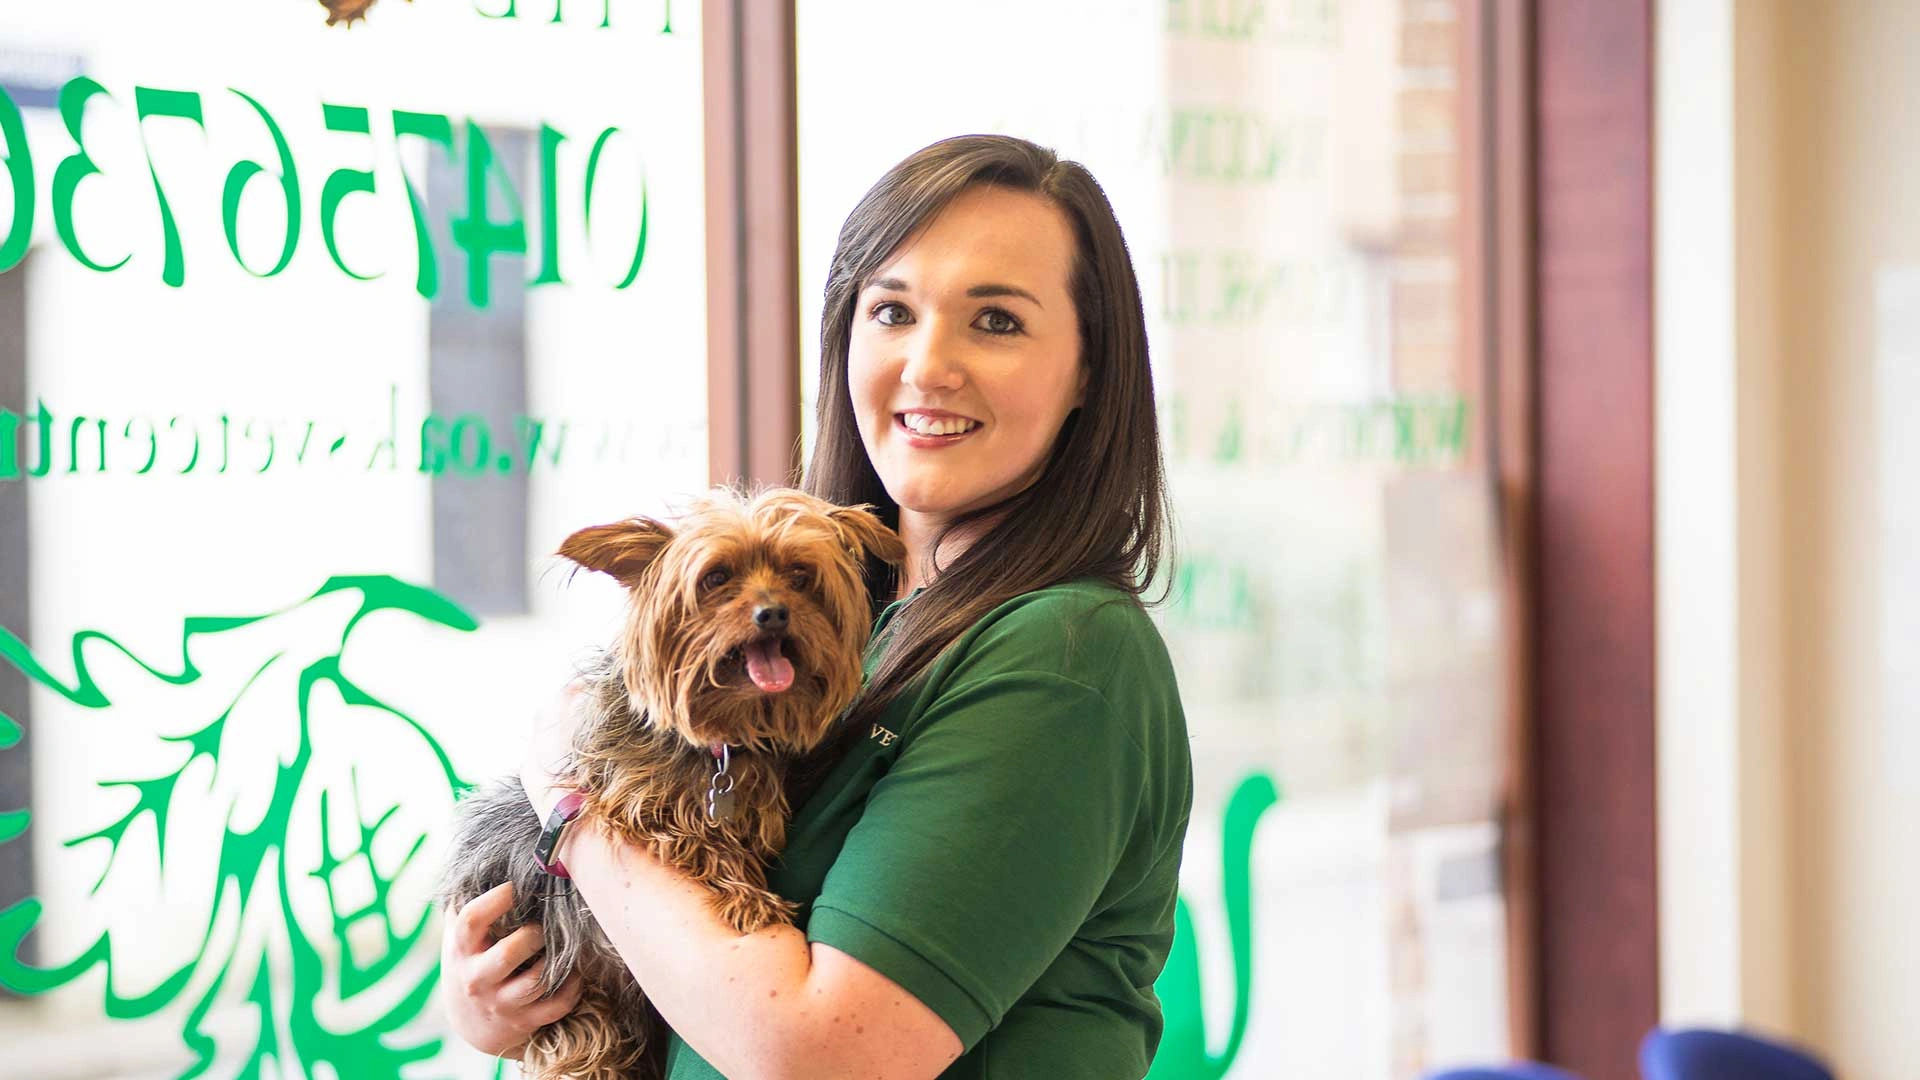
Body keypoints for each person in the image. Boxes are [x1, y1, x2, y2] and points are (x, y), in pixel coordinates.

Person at [441, 134, 1194, 1079]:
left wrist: (572, 804)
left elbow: (822, 1056)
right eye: (892, 311)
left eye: (995, 321)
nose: (929, 365)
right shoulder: (857, 625)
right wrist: (505, 998)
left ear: (1090, 368)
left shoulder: (1063, 657)